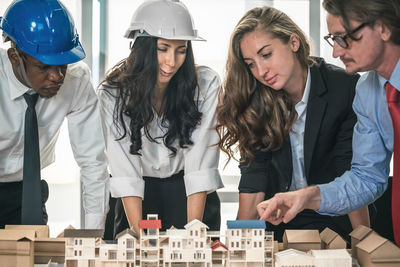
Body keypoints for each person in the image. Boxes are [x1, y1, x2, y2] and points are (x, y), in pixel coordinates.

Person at [217, 6, 368, 241]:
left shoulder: (344, 88)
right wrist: (239, 243)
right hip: (277, 222)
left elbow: (350, 172)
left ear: (293, 42)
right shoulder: (256, 99)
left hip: (332, 219)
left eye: (266, 55)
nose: (260, 71)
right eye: (250, 63)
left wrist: (365, 242)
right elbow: (254, 178)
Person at [257, 0, 400, 246]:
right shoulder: (368, 92)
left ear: (384, 28)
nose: (336, 52)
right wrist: (307, 196)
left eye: (344, 38)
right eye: (332, 39)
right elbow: (366, 178)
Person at [98, 0, 223, 236]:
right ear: (143, 47)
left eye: (181, 50)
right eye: (163, 48)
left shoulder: (205, 85)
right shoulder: (112, 94)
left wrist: (192, 235)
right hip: (136, 197)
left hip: (190, 195)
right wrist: (140, 236)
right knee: (136, 255)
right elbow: (126, 172)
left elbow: (199, 165)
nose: (172, 62)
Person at [0, 0, 109, 229]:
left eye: (63, 64)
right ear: (14, 57)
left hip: (27, 194)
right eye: (44, 66)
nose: (57, 76)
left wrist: (92, 235)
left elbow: (93, 162)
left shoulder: (76, 80)